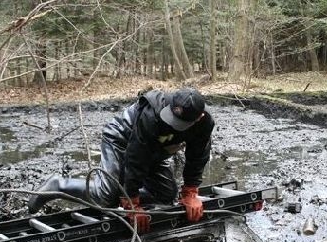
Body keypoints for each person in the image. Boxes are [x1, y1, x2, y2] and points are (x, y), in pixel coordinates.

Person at [28, 88, 214, 232]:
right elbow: (136, 156)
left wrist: (190, 192)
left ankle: (120, 191)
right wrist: (131, 202)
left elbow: (198, 156)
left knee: (165, 196)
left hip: (156, 149)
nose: (171, 122)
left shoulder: (205, 123)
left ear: (200, 118)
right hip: (121, 139)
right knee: (106, 197)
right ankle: (59, 185)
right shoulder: (152, 114)